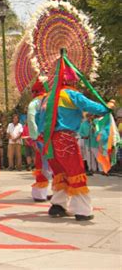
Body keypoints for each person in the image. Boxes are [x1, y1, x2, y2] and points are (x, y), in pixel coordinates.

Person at [40, 65, 115, 221]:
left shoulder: (47, 97)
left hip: (48, 141)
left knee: (60, 173)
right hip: (65, 138)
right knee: (76, 171)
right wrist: (106, 107)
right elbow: (91, 107)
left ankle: (58, 205)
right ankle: (82, 210)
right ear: (72, 81)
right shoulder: (70, 94)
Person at [27, 79, 52, 202]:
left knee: (42, 164)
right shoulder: (51, 100)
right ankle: (45, 193)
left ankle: (41, 193)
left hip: (41, 137)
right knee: (50, 164)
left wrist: (34, 137)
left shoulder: (34, 103)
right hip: (49, 137)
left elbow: (31, 119)